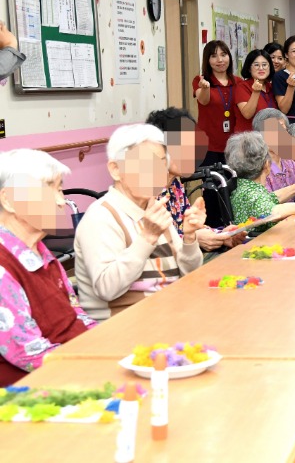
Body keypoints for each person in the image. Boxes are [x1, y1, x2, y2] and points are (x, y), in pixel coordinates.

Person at [75, 124, 204, 321]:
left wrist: (189, 238)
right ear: (116, 170)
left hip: (170, 315)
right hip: (124, 328)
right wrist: (148, 238)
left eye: (161, 163)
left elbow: (190, 274)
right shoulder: (100, 217)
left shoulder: (153, 209)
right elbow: (107, 288)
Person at [0, 150, 97, 386]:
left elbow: (77, 315)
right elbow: (28, 353)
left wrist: (106, 342)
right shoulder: (3, 265)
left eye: (60, 188)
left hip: (75, 366)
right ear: (8, 201)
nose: (60, 200)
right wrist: (97, 362)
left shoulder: (39, 251)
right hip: (36, 391)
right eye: (48, 189)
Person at [145, 108, 246, 252]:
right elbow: (151, 246)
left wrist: (223, 235)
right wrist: (193, 239)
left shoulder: (174, 185)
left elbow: (189, 228)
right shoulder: (145, 191)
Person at [226, 131, 295, 232]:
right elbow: (274, 212)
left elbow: (272, 197)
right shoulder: (251, 194)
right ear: (267, 165)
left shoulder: (245, 187)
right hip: (260, 244)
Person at [192, 40, 239, 168]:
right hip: (208, 145)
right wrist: (205, 88)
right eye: (214, 56)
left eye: (223, 55)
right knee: (212, 186)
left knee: (233, 185)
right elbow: (203, 100)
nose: (220, 60)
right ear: (207, 60)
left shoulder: (238, 82)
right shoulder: (200, 80)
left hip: (234, 144)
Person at [234, 49, 278, 133]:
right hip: (249, 139)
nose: (261, 68)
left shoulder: (271, 86)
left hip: (270, 138)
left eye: (264, 65)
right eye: (256, 65)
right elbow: (247, 114)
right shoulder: (242, 87)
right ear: (249, 68)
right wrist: (256, 92)